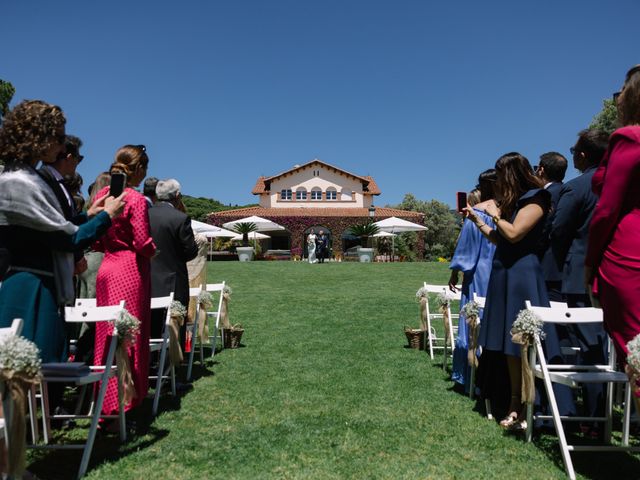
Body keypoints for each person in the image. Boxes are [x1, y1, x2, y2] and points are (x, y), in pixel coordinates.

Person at [0, 100, 124, 365]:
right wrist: (106, 216)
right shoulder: (19, 182)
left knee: (41, 375)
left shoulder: (25, 177)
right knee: (35, 375)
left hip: (41, 284)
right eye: (58, 137)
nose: (61, 146)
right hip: (31, 288)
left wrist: (87, 215)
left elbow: (49, 228)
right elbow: (68, 238)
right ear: (38, 138)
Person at [466, 152, 552, 430]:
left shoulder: (536, 199)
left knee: (522, 342)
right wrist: (479, 221)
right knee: (506, 343)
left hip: (522, 275)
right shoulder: (511, 203)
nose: (498, 180)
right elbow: (499, 238)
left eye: (501, 173)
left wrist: (495, 215)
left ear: (512, 173)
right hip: (502, 273)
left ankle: (530, 403)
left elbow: (514, 234)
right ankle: (514, 401)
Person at [551, 128, 609, 435]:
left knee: (588, 346)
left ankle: (594, 417)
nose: (572, 154)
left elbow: (559, 232)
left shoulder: (576, 188)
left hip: (578, 276)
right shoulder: (621, 185)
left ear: (583, 155)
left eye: (574, 150)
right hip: (616, 273)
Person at [93, 144, 156, 424]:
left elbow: (94, 238)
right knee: (129, 334)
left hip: (106, 268)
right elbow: (142, 242)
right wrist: (154, 251)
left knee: (105, 334)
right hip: (130, 269)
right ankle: (127, 400)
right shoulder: (136, 199)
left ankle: (105, 399)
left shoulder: (102, 196)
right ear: (139, 169)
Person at [586, 65, 640, 389]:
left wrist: (590, 263)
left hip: (628, 253)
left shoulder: (628, 138)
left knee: (635, 351)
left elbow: (606, 210)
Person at [449, 169, 497, 393]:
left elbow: (466, 250)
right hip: (499, 272)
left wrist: (455, 272)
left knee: (472, 323)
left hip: (478, 273)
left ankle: (471, 376)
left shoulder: (477, 213)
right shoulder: (507, 210)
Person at [148, 179, 198, 352]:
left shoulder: (144, 214)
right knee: (175, 326)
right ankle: (173, 372)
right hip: (173, 281)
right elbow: (191, 251)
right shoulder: (180, 218)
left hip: (146, 279)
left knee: (149, 329)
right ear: (177, 196)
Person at [536, 152, 568, 302]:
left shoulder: (546, 195)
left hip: (547, 265)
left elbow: (545, 227)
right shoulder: (568, 190)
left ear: (541, 170)